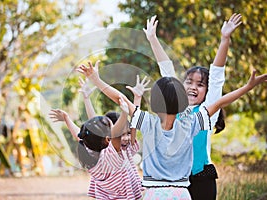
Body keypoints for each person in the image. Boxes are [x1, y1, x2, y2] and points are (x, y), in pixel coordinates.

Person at [77, 60, 267, 200]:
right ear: (182, 102)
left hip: (153, 194)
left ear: (155, 102)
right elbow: (219, 102)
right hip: (181, 193)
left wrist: (96, 79)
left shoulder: (147, 122)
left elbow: (120, 98)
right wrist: (248, 87)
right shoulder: (190, 124)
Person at [143, 13, 242, 199]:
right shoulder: (174, 110)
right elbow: (167, 70)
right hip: (175, 179)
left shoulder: (207, 114)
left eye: (200, 84)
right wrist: (153, 39)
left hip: (201, 178)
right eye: (189, 82)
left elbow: (218, 76)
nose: (193, 87)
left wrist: (224, 39)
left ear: (206, 91)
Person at [49, 82, 143, 199]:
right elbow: (117, 133)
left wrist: (68, 118)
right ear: (108, 139)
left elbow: (84, 133)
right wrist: (124, 113)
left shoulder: (91, 152)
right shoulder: (112, 155)